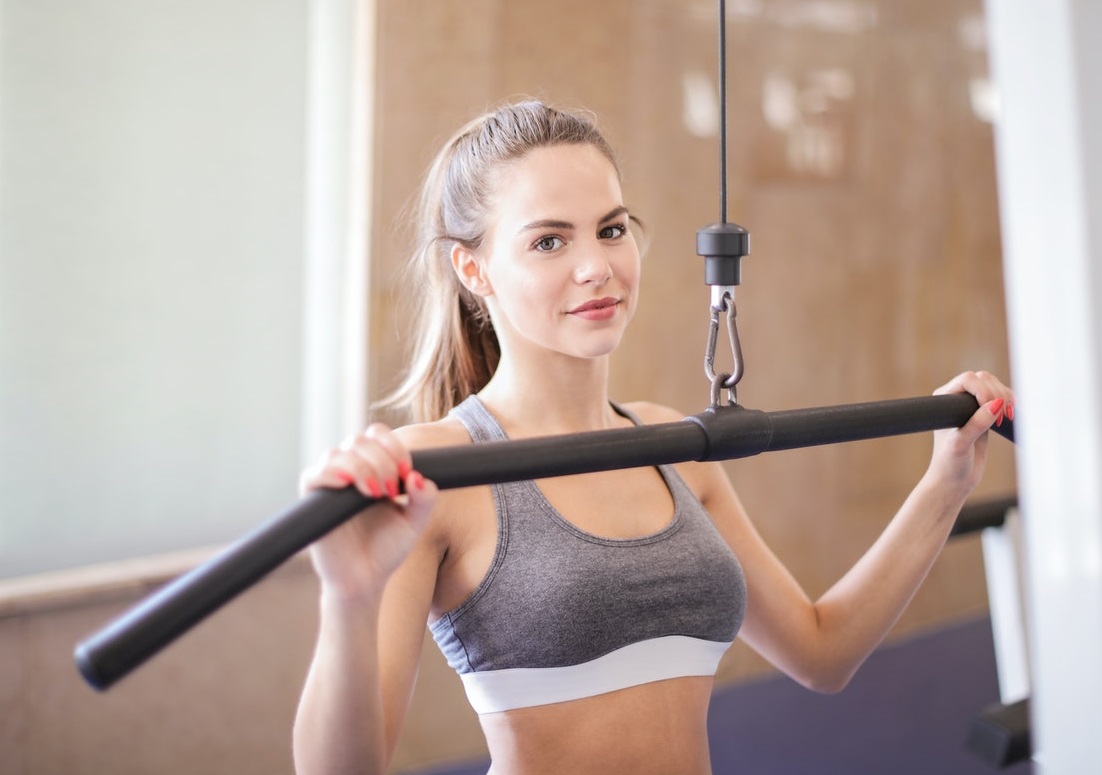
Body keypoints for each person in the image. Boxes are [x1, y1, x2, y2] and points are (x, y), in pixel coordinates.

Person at [292, 99, 1014, 775]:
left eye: (610, 229)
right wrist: (346, 599)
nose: (596, 266)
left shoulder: (675, 444)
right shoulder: (440, 468)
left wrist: (944, 483)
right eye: (548, 240)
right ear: (473, 268)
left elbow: (821, 651)